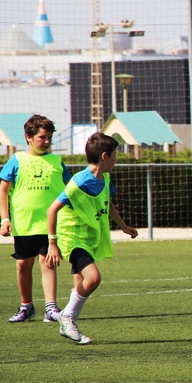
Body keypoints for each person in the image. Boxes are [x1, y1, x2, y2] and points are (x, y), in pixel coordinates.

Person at [45, 133, 139, 344]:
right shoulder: (79, 182)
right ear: (105, 156)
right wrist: (52, 244)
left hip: (90, 237)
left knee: (80, 284)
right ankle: (66, 317)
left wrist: (123, 227)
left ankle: (69, 325)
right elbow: (52, 210)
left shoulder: (104, 178)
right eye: (115, 155)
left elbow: (108, 203)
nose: (117, 159)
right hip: (73, 238)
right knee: (93, 278)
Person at [0, 115, 72, 324]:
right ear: (28, 137)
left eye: (49, 137)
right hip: (23, 223)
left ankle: (51, 308)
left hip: (50, 223)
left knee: (48, 264)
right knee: (22, 264)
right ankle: (26, 306)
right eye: (43, 137)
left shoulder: (57, 161)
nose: (47, 141)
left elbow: (70, 189)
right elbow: (3, 191)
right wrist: (5, 219)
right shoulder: (17, 160)